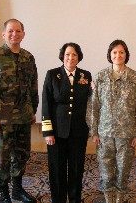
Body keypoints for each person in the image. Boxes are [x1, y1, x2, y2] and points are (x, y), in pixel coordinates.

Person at [0, 19, 38, 203]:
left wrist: (32, 110)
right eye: (10, 31)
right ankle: (4, 194)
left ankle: (17, 190)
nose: (14, 34)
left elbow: (32, 87)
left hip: (24, 117)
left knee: (21, 155)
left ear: (23, 34)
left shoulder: (28, 57)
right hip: (2, 120)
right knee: (3, 159)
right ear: (4, 34)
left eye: (18, 31)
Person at [86, 39, 136, 203]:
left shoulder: (135, 78)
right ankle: (108, 198)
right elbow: (94, 106)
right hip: (105, 133)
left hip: (127, 134)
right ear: (109, 55)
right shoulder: (100, 77)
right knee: (106, 170)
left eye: (121, 52)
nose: (118, 55)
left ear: (126, 55)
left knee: (123, 170)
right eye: (114, 52)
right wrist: (94, 132)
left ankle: (120, 198)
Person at [41, 42, 92, 203]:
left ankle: (75, 198)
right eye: (68, 54)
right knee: (57, 168)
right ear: (63, 56)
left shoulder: (86, 76)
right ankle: (58, 199)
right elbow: (46, 104)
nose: (71, 57)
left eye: (74, 54)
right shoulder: (52, 75)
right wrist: (48, 132)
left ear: (79, 57)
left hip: (78, 131)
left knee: (77, 168)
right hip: (56, 132)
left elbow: (90, 102)